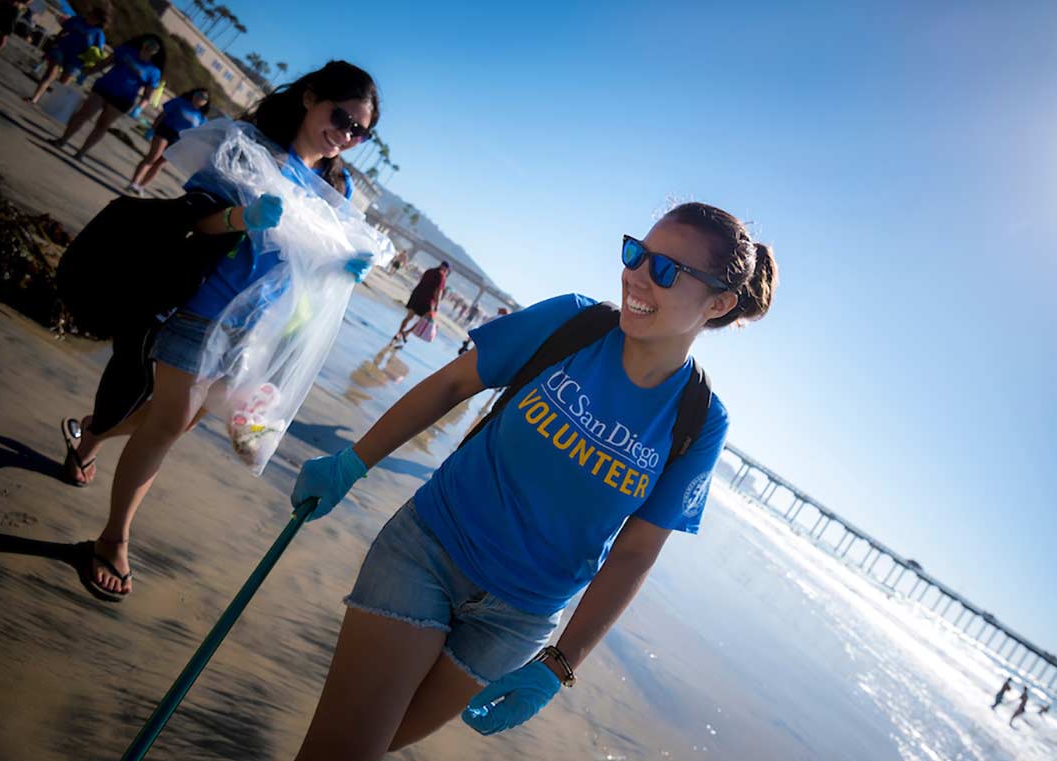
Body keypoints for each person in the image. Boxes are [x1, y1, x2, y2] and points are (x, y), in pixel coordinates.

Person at [289, 201, 778, 759]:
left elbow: (637, 551)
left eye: (666, 270)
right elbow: (453, 385)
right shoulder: (572, 323)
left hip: (517, 623)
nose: (637, 276)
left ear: (718, 302)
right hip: (428, 551)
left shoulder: (700, 419)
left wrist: (561, 663)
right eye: (636, 255)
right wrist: (354, 461)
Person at [60, 61, 382, 602]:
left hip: (254, 333)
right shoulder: (248, 149)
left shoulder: (336, 187)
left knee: (175, 422)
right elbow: (191, 219)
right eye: (342, 117)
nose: (346, 135)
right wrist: (244, 217)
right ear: (310, 98)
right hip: (201, 309)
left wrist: (344, 268)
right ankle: (112, 539)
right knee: (169, 424)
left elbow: (311, 261)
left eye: (360, 131)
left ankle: (89, 436)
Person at [50, 34, 165, 161]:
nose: (149, 48)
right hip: (104, 87)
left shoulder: (154, 71)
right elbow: (104, 63)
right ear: (143, 43)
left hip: (122, 99)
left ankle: (81, 153)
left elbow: (147, 95)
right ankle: (62, 140)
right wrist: (86, 73)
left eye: (153, 47)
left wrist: (139, 108)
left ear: (156, 52)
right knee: (83, 114)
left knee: (102, 125)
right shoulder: (126, 51)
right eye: (148, 44)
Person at [126, 88, 211, 196]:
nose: (200, 98)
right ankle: (134, 182)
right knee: (153, 157)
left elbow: (196, 136)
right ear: (193, 94)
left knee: (159, 164)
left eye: (204, 98)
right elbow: (163, 114)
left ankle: (141, 186)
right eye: (199, 94)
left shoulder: (202, 118)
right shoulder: (180, 102)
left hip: (179, 141)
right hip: (165, 131)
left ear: (206, 102)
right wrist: (152, 129)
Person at [27, 6, 108, 104]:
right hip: (61, 49)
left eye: (94, 17)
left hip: (76, 61)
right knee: (50, 73)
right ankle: (34, 98)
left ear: (99, 21)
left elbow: (98, 53)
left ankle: (51, 106)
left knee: (62, 84)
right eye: (91, 14)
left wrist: (89, 66)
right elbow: (62, 31)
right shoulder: (76, 20)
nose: (90, 16)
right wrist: (51, 47)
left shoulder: (98, 34)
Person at [392, 261, 448, 347]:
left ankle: (399, 333)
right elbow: (438, 291)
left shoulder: (429, 270)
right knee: (423, 320)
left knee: (408, 317)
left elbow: (422, 281)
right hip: (427, 301)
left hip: (417, 295)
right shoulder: (442, 276)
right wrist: (437, 304)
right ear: (446, 269)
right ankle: (406, 333)